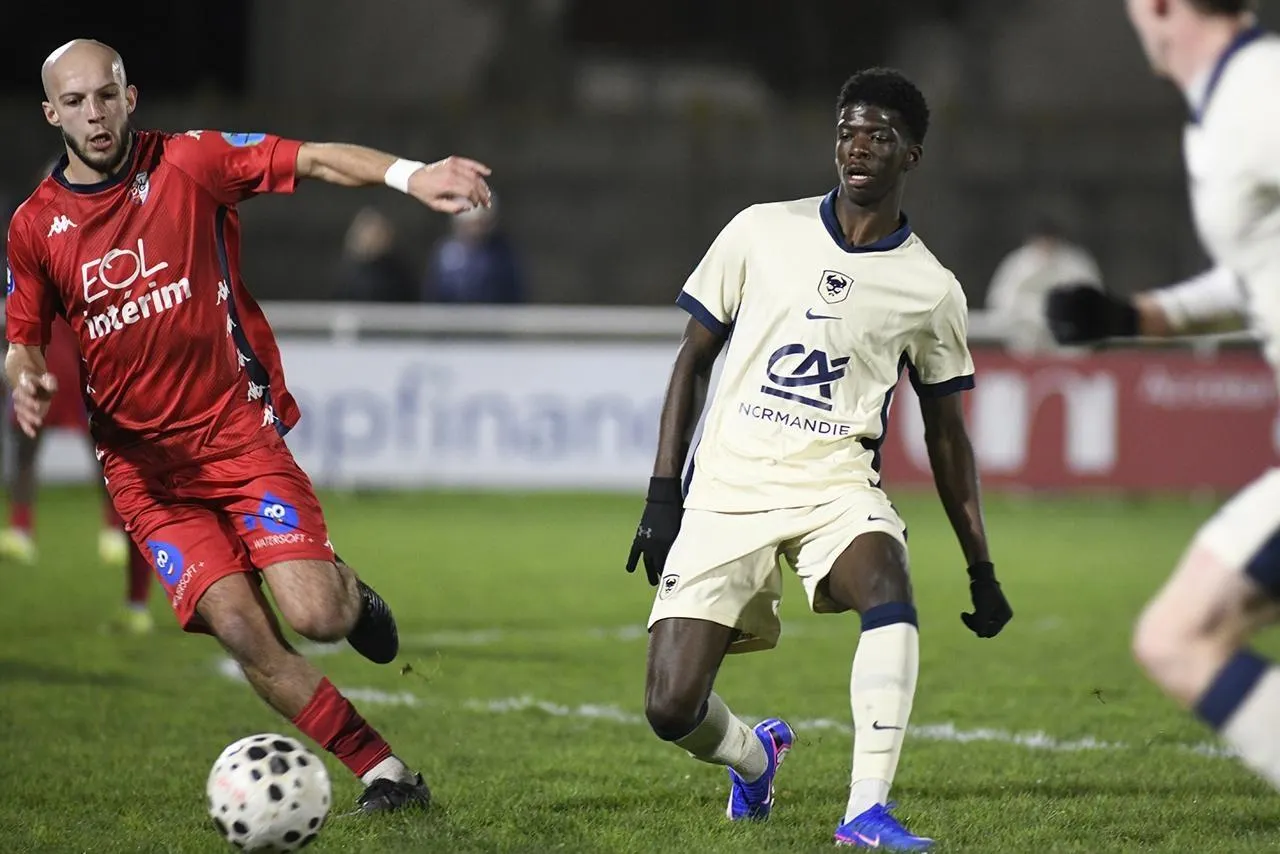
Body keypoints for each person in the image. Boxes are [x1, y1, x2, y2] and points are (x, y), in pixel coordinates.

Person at [6, 39, 491, 812]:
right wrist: (26, 379)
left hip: (237, 437)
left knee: (316, 616)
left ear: (130, 97)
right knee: (241, 629)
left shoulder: (192, 162)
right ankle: (385, 772)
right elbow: (22, 340)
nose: (93, 115)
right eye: (74, 102)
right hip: (146, 476)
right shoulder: (35, 226)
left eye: (105, 95)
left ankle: (349, 591)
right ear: (50, 113)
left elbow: (315, 158)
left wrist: (411, 175)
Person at [625, 67, 1012, 850]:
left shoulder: (931, 289)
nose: (857, 147)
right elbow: (692, 360)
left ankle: (865, 810)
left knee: (888, 581)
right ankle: (753, 757)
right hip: (728, 486)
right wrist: (663, 493)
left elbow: (947, 437)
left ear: (911, 155)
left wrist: (981, 567)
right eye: (847, 132)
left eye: (878, 135)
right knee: (671, 708)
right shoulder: (759, 230)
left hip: (836, 486)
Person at [1045, 0, 1280, 795]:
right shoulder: (1223, 107)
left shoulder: (1257, 93)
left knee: (1180, 637)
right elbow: (1257, 270)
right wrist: (1135, 317)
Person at [1, 157, 150, 633]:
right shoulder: (29, 234)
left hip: (95, 358)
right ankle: (21, 527)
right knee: (27, 441)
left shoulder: (110, 234)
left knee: (113, 460)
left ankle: (117, 542)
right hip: (50, 352)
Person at [984, 214, 1103, 355]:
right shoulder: (1018, 263)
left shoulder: (1075, 263)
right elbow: (1000, 299)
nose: (1046, 244)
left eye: (1050, 240)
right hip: (1027, 335)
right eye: (1042, 240)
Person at [422, 198, 525, 303]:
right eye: (472, 223)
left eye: (481, 223)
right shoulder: (446, 254)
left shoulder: (502, 253)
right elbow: (434, 292)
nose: (476, 229)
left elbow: (513, 292)